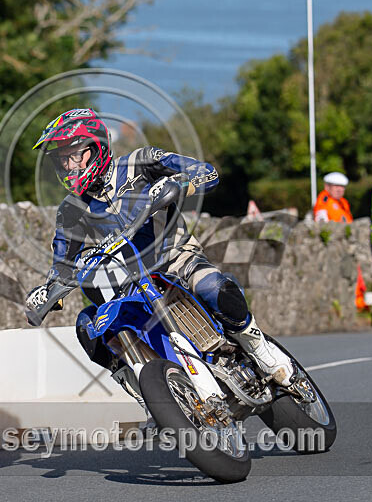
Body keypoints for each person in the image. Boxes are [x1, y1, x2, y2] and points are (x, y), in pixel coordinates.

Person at [24, 108, 295, 391]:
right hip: (127, 284)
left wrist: (179, 184)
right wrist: (48, 291)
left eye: (74, 154)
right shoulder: (70, 210)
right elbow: (63, 262)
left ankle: (259, 348)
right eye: (62, 158)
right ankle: (145, 394)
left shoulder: (142, 162)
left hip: (176, 257)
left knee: (213, 287)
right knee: (88, 326)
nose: (68, 165)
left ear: (97, 146)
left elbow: (206, 172)